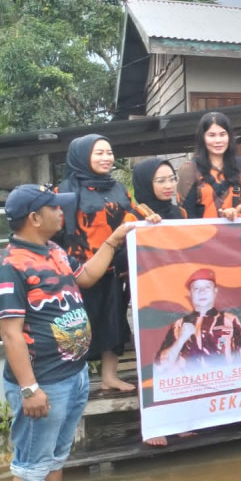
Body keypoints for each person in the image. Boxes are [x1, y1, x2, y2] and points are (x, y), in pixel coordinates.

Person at [0, 184, 135, 481]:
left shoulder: (55, 251)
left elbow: (87, 277)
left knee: (56, 459)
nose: (61, 212)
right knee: (31, 468)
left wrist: (113, 240)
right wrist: (30, 389)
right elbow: (10, 334)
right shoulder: (9, 267)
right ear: (34, 219)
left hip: (73, 375)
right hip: (44, 382)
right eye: (54, 207)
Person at [57, 134, 155, 392]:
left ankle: (109, 377)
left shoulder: (119, 188)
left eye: (109, 152)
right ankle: (74, 382)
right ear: (82, 156)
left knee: (114, 321)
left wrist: (150, 218)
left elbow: (134, 214)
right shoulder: (65, 190)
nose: (106, 158)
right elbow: (54, 229)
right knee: (78, 325)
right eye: (99, 153)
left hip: (115, 267)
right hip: (80, 269)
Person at [132, 157, 194, 446]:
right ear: (146, 184)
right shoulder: (133, 216)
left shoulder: (179, 212)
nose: (169, 185)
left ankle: (180, 418)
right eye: (161, 180)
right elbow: (123, 257)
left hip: (177, 294)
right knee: (151, 357)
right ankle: (154, 423)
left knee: (179, 355)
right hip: (148, 298)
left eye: (171, 179)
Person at [155, 268, 241, 369]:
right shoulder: (178, 325)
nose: (202, 292)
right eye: (196, 289)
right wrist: (181, 339)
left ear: (215, 291)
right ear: (190, 294)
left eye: (207, 287)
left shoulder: (230, 321)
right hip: (190, 383)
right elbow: (160, 366)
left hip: (225, 382)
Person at [177, 112, 241, 220]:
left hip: (239, 233)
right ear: (203, 138)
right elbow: (186, 213)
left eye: (222, 134)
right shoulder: (190, 169)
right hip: (203, 233)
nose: (218, 141)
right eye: (211, 135)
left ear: (229, 136)